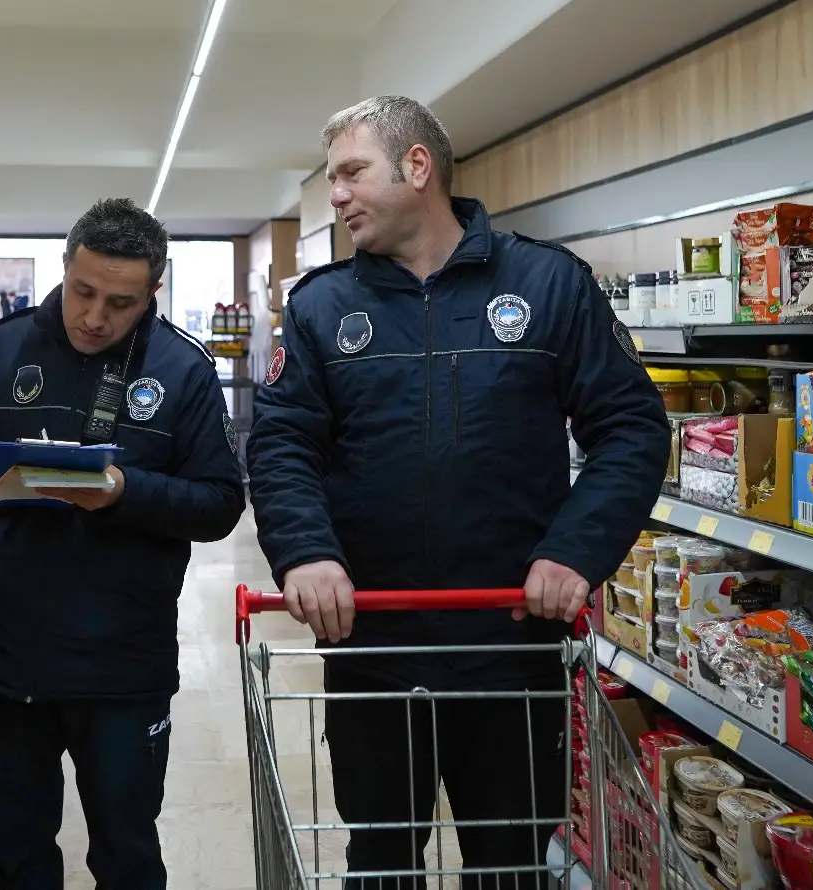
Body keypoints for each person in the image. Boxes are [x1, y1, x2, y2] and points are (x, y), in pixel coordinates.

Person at [247, 96, 670, 888]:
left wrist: (574, 552)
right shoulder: (321, 307)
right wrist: (305, 550)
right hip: (375, 647)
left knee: (508, 864)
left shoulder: (549, 285)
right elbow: (281, 444)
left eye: (350, 173)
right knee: (381, 861)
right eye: (331, 178)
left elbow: (632, 430)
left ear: (417, 167)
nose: (334, 195)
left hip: (510, 648)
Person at [0, 198, 246, 890]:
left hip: (122, 661)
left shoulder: (183, 370)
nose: (96, 316)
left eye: (121, 302)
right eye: (84, 291)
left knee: (127, 857)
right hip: (3, 654)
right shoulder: (8, 347)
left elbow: (221, 502)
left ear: (153, 292)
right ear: (65, 267)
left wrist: (124, 493)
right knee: (13, 859)